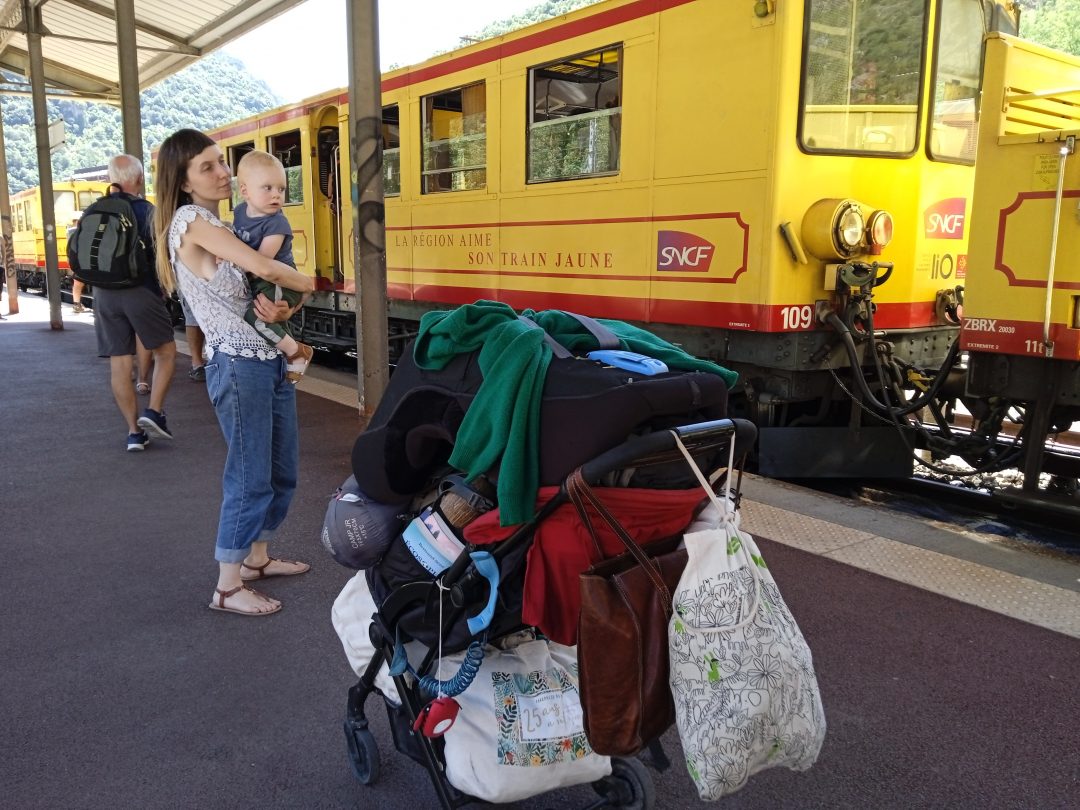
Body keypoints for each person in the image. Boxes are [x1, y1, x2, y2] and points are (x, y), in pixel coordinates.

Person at [152, 128, 314, 617]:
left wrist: (285, 309)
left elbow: (259, 293)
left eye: (222, 161)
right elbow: (270, 270)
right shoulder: (192, 221)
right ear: (183, 182)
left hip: (267, 358)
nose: (223, 172)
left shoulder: (222, 225)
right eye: (208, 166)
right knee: (249, 473)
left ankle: (257, 559)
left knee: (281, 468)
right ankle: (227, 584)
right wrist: (308, 283)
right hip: (238, 364)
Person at [74, 155, 177, 451]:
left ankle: (134, 433)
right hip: (140, 290)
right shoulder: (147, 211)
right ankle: (154, 411)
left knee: (119, 363)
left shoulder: (94, 209)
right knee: (166, 352)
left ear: (112, 179)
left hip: (103, 294)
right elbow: (162, 255)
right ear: (140, 179)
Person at [232, 150, 313, 381]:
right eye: (267, 188)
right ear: (245, 191)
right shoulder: (240, 212)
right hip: (264, 281)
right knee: (273, 320)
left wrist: (228, 258)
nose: (276, 195)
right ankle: (285, 363)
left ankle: (297, 352)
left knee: (256, 318)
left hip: (281, 282)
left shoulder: (277, 223)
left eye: (281, 189)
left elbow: (261, 262)